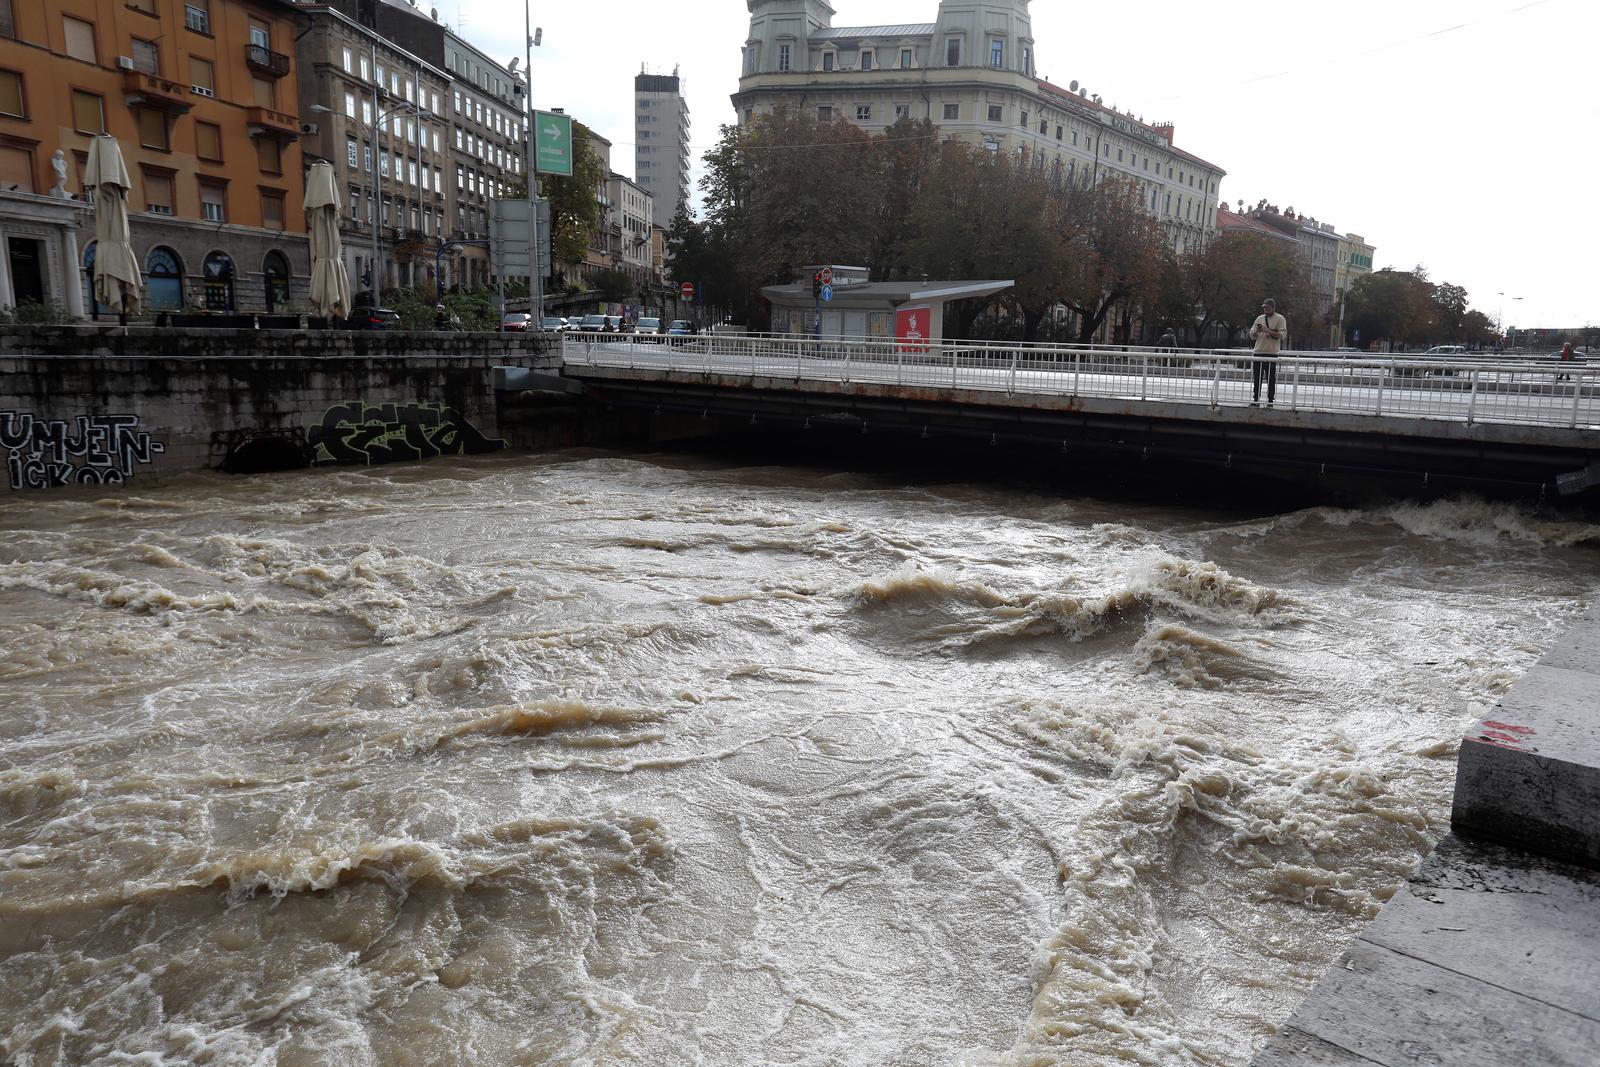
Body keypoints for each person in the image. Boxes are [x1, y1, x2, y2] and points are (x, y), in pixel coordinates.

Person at [1248, 298, 1287, 406]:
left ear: (1273, 308)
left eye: (1268, 308)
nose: (1266, 310)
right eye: (1264, 308)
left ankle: (1270, 401)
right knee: (1257, 378)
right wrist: (1256, 331)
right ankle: (1256, 399)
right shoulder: (1259, 318)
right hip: (1258, 352)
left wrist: (1268, 331)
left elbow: (1282, 335)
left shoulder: (1280, 319)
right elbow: (1251, 335)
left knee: (1271, 378)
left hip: (1272, 353)